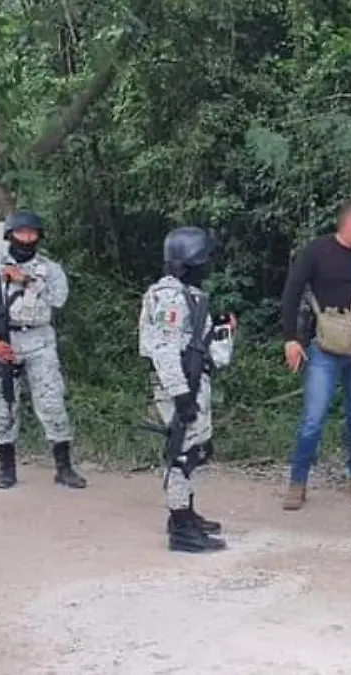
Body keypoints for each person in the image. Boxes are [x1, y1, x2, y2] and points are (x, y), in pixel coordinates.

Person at [279, 200, 351, 510]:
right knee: (313, 418)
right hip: (323, 347)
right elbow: (291, 292)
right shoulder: (316, 251)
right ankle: (297, 482)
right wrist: (291, 338)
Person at [0, 210, 86, 490]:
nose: (27, 239)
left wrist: (25, 280)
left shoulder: (50, 269)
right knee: (5, 405)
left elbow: (59, 299)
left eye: (32, 234)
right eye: (22, 233)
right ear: (10, 235)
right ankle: (6, 470)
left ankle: (64, 468)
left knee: (52, 403)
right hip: (4, 342)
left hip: (39, 341)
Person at [139, 226, 237, 553]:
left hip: (193, 382)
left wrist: (220, 327)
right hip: (178, 385)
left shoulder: (189, 295)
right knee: (183, 453)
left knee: (196, 449)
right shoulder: (169, 297)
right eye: (203, 259)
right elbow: (165, 350)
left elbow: (196, 343)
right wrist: (181, 396)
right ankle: (180, 527)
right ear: (187, 262)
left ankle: (186, 512)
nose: (207, 265)